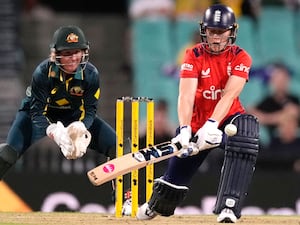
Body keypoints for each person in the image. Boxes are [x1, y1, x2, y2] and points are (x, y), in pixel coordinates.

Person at [136, 4, 259, 223]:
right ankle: (155, 204)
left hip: (227, 119)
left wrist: (213, 124)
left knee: (246, 132)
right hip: (196, 123)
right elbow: (186, 96)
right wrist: (184, 129)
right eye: (212, 31)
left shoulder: (241, 57)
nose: (216, 37)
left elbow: (229, 95)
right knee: (171, 187)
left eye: (221, 32)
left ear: (232, 31)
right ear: (204, 30)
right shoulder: (193, 54)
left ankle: (229, 207)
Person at [0, 25, 116, 178]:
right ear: (56, 55)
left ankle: (125, 199)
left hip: (73, 116)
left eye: (77, 52)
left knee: (118, 148)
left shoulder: (90, 74)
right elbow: (36, 111)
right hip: (37, 117)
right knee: (7, 154)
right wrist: (54, 132)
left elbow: (90, 110)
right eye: (68, 53)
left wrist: (81, 127)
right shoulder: (43, 72)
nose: (74, 58)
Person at [247, 62, 300, 144]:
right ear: (273, 81)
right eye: (278, 80)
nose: (281, 83)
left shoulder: (294, 99)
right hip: (275, 142)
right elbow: (252, 113)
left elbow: (295, 113)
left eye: (283, 79)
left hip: (295, 141)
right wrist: (278, 117)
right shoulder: (267, 101)